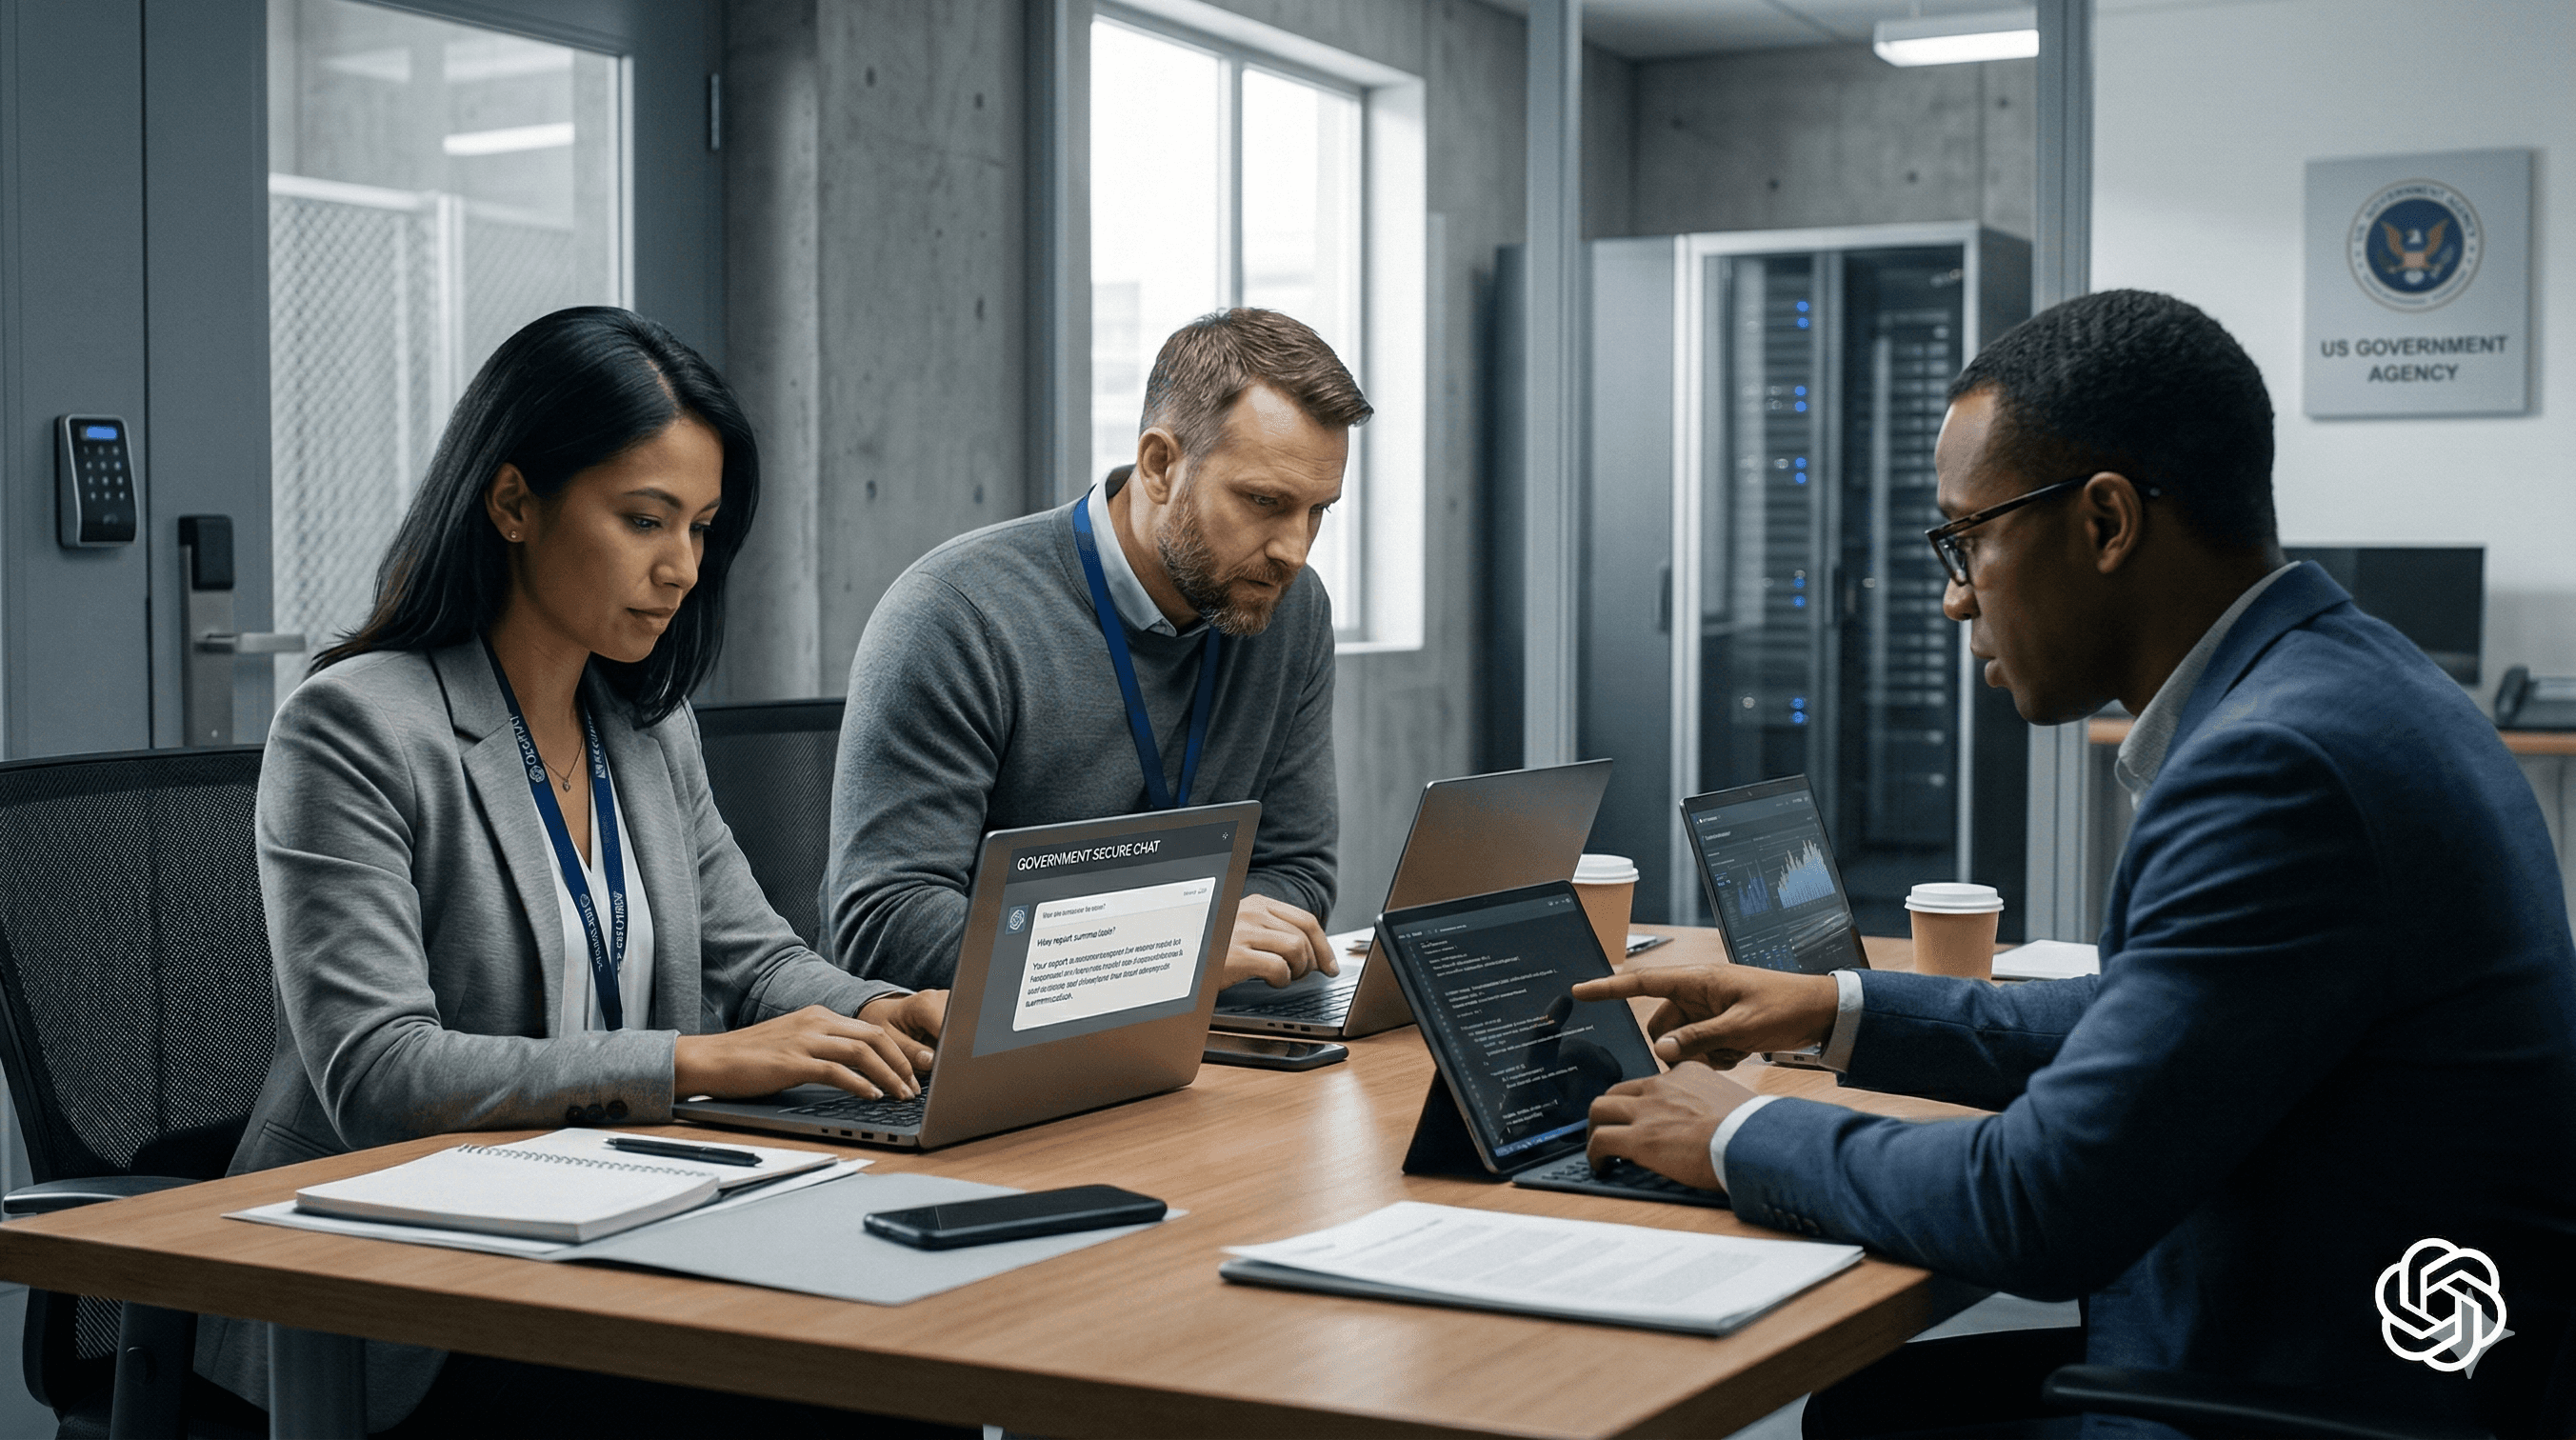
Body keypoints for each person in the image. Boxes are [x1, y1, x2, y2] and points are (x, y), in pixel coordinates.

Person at [1573, 290, 2576, 1438]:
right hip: (2392, 1353)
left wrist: (1737, 1134)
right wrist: (1832, 1008)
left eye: (1966, 539)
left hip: (2305, 1390)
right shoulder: (2354, 681)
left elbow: (2038, 1207)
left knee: (1868, 1419)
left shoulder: (2273, 765)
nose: (1954, 597)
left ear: (2104, 522)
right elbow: (2157, 1022)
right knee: (1878, 1408)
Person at [194, 307, 956, 1437]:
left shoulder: (643, 727)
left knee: (901, 1368)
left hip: (626, 1221)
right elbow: (379, 1071)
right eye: (644, 520)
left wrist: (895, 1013)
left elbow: (757, 961)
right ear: (512, 502)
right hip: (404, 1279)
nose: (682, 568)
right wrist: (696, 1062)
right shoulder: (354, 727)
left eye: (700, 527)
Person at [823, 308, 1368, 991]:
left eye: (1318, 510)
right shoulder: (958, 614)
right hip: (977, 1061)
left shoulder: (1289, 608)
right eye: (1264, 501)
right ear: (1161, 465)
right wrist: (1168, 945)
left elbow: (1296, 871)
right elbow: (886, 926)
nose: (1294, 549)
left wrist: (1165, 951)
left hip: (1194, 1039)